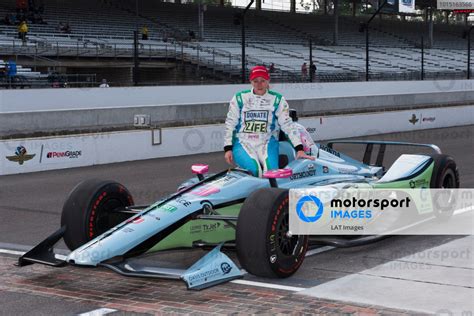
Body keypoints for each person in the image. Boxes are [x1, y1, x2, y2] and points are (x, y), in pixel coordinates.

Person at [224, 66, 314, 177]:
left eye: (263, 81)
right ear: (251, 81)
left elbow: (287, 125)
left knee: (271, 174)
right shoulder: (240, 98)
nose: (259, 84)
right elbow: (230, 123)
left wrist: (299, 149)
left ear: (268, 81)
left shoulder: (277, 99)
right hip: (243, 142)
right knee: (254, 170)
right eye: (255, 81)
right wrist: (228, 148)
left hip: (266, 142)